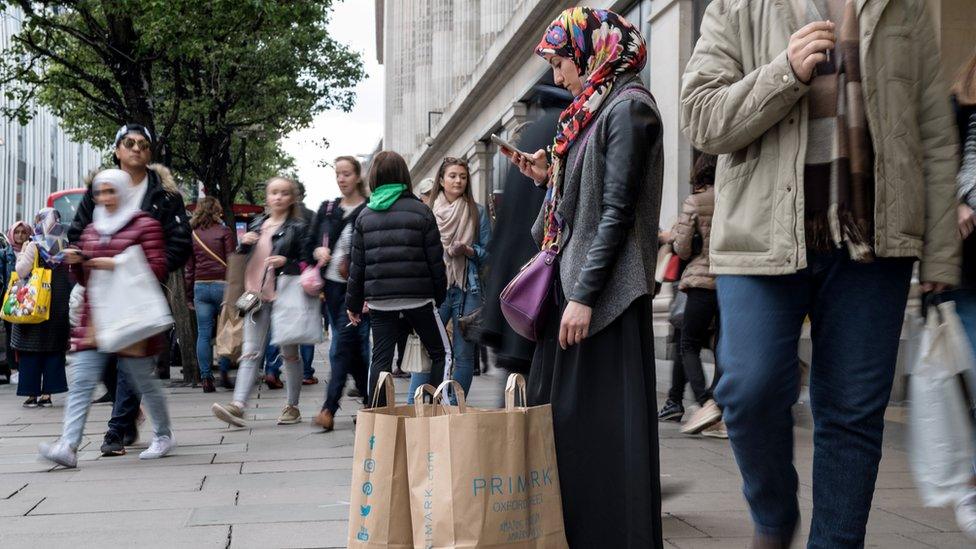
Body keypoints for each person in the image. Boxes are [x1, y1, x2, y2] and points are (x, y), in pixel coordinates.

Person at [681, 1, 961, 546]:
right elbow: (700, 116)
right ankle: (773, 514)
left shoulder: (905, 9)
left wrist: (942, 252)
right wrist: (784, 72)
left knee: (853, 414)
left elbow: (934, 136)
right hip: (762, 234)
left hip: (874, 238)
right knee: (750, 388)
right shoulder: (739, 5)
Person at [506, 8, 663, 547]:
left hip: (602, 298)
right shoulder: (597, 109)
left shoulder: (629, 108)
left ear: (591, 50)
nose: (556, 77)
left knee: (596, 427)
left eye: (558, 63)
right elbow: (593, 195)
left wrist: (585, 297)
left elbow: (618, 211)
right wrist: (550, 172)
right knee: (571, 425)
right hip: (581, 291)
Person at [68, 123, 191, 457]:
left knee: (132, 361)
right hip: (101, 293)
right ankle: (125, 416)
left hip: (142, 290)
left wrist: (150, 271)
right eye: (129, 143)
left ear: (149, 153)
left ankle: (117, 428)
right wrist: (81, 257)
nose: (136, 148)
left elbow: (179, 243)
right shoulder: (102, 188)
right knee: (101, 358)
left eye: (142, 144)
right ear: (117, 150)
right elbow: (78, 232)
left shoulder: (165, 196)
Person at [38, 169, 175, 468]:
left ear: (123, 191)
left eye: (111, 191)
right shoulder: (90, 229)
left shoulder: (145, 224)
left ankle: (163, 434)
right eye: (100, 192)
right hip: (96, 317)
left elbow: (157, 269)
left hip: (130, 316)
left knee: (144, 381)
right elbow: (85, 278)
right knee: (83, 382)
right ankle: (68, 445)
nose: (105, 198)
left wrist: (115, 264)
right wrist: (77, 263)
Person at [344, 151, 450, 407]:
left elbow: (357, 266)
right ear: (404, 176)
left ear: (375, 178)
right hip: (419, 298)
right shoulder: (422, 212)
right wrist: (438, 296)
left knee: (380, 359)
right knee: (442, 353)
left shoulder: (364, 216)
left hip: (380, 300)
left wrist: (353, 303)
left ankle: (377, 417)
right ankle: (435, 409)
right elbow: (436, 262)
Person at [481, 85, 568, 377]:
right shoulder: (564, 131)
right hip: (540, 284)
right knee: (536, 386)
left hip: (517, 284)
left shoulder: (532, 132)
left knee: (518, 385)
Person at [210, 176, 309, 428]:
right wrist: (243, 245)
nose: (278, 197)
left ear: (292, 198)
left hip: (285, 296)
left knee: (289, 354)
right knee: (250, 352)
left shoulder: (298, 226)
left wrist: (286, 262)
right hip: (255, 296)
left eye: (284, 193)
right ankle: (238, 405)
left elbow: (306, 261)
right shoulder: (257, 224)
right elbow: (243, 259)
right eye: (274, 192)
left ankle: (292, 406)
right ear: (267, 197)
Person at [406, 157, 491, 401]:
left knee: (464, 354)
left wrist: (469, 250)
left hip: (468, 290)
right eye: (453, 176)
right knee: (426, 348)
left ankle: (455, 406)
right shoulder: (427, 212)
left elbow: (489, 255)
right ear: (441, 181)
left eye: (463, 177)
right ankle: (415, 405)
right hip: (436, 289)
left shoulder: (478, 212)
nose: (458, 181)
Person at [306, 155, 371, 431]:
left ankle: (328, 409)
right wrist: (317, 250)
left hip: (361, 287)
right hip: (333, 288)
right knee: (353, 348)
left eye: (346, 173)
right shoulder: (328, 209)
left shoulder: (370, 208)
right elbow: (308, 243)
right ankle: (372, 402)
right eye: (338, 174)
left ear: (357, 176)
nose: (342, 179)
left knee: (341, 346)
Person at [669, 153, 725, 439]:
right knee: (723, 347)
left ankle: (705, 403)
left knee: (688, 344)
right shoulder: (732, 195)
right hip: (731, 280)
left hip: (701, 281)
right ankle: (720, 408)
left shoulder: (696, 201)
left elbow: (681, 248)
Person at [950, 49, 976, 539]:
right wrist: (953, 202)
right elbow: (935, 164)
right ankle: (972, 484)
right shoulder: (959, 108)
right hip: (971, 267)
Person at [10, 209, 71, 408]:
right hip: (57, 305)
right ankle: (47, 394)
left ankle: (31, 394)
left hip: (35, 303)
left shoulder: (34, 244)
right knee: (54, 350)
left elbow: (21, 270)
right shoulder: (64, 244)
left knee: (31, 351)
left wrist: (23, 252)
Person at [185, 196, 235, 393]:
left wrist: (189, 295)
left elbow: (189, 268)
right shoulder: (225, 232)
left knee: (204, 334)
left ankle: (206, 378)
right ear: (216, 211)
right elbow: (233, 261)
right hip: (223, 287)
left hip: (201, 287)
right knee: (226, 331)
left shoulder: (193, 234)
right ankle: (223, 373)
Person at [1, 221, 33, 384]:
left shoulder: (33, 250)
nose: (20, 235)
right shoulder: (5, 254)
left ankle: (24, 368)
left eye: (23, 232)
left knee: (26, 334)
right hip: (11, 297)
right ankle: (13, 369)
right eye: (17, 232)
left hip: (30, 297)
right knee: (10, 334)